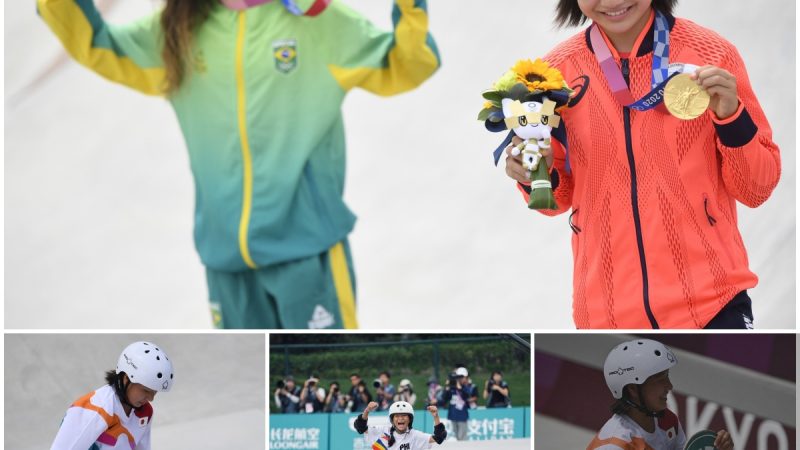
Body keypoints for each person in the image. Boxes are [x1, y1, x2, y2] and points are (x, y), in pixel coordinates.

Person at [37, 0, 440, 330]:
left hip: (308, 254)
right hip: (226, 263)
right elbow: (95, 43)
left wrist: (409, 7)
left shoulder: (322, 22)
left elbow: (407, 65)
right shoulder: (176, 30)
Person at [502, 0, 780, 329]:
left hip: (714, 304)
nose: (611, 1)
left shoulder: (711, 54)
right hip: (606, 316)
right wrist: (534, 173)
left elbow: (755, 188)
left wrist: (732, 117)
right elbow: (554, 202)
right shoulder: (553, 78)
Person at [588, 339, 733, 450]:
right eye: (659, 379)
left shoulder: (667, 420)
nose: (669, 386)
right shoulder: (614, 445)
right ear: (632, 389)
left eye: (667, 376)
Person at [50, 341, 174, 450]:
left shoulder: (145, 412)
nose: (151, 398)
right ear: (126, 379)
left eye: (155, 392)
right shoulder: (93, 411)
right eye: (146, 390)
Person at [355, 401, 447, 449]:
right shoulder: (382, 431)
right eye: (397, 416)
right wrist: (367, 410)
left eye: (404, 416)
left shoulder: (414, 436)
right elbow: (360, 427)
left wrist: (436, 416)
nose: (401, 418)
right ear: (392, 419)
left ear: (410, 419)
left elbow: (439, 437)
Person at [440, 367, 477, 441]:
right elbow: (444, 399)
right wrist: (447, 387)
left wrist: (459, 388)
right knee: (457, 437)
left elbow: (467, 395)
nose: (460, 379)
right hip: (453, 415)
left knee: (462, 438)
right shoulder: (451, 388)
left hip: (462, 416)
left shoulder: (465, 387)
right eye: (459, 377)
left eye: (461, 377)